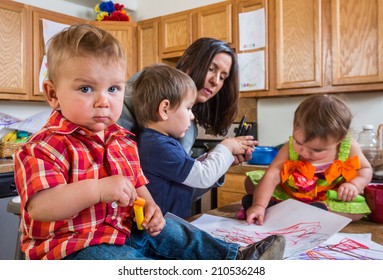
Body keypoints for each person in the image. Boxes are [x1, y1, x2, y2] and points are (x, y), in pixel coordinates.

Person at [14, 24, 285, 260]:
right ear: (52, 94)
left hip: (122, 231)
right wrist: (97, 190)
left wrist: (152, 206)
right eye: (86, 88)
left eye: (113, 89)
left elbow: (138, 182)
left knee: (175, 231)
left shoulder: (123, 140)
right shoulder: (44, 146)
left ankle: (234, 258)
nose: (103, 100)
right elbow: (40, 206)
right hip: (73, 248)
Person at [118, 37, 254, 201]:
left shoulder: (187, 128)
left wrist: (219, 162)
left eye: (223, 77)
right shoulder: (147, 86)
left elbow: (181, 187)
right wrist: (220, 154)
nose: (215, 81)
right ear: (188, 62)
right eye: (211, 69)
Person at [131, 64, 257, 219]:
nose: (192, 116)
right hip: (163, 230)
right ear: (164, 109)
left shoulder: (155, 141)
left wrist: (215, 157)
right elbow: (202, 176)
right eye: (188, 108)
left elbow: (187, 170)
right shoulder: (159, 146)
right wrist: (226, 147)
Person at [242, 94, 373, 225]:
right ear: (294, 127)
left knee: (358, 213)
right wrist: (259, 205)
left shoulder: (349, 147)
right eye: (299, 143)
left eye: (317, 150)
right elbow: (272, 174)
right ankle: (270, 206)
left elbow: (365, 169)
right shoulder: (290, 146)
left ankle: (317, 212)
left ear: (340, 139)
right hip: (292, 195)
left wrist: (354, 185)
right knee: (251, 181)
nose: (304, 152)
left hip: (327, 199)